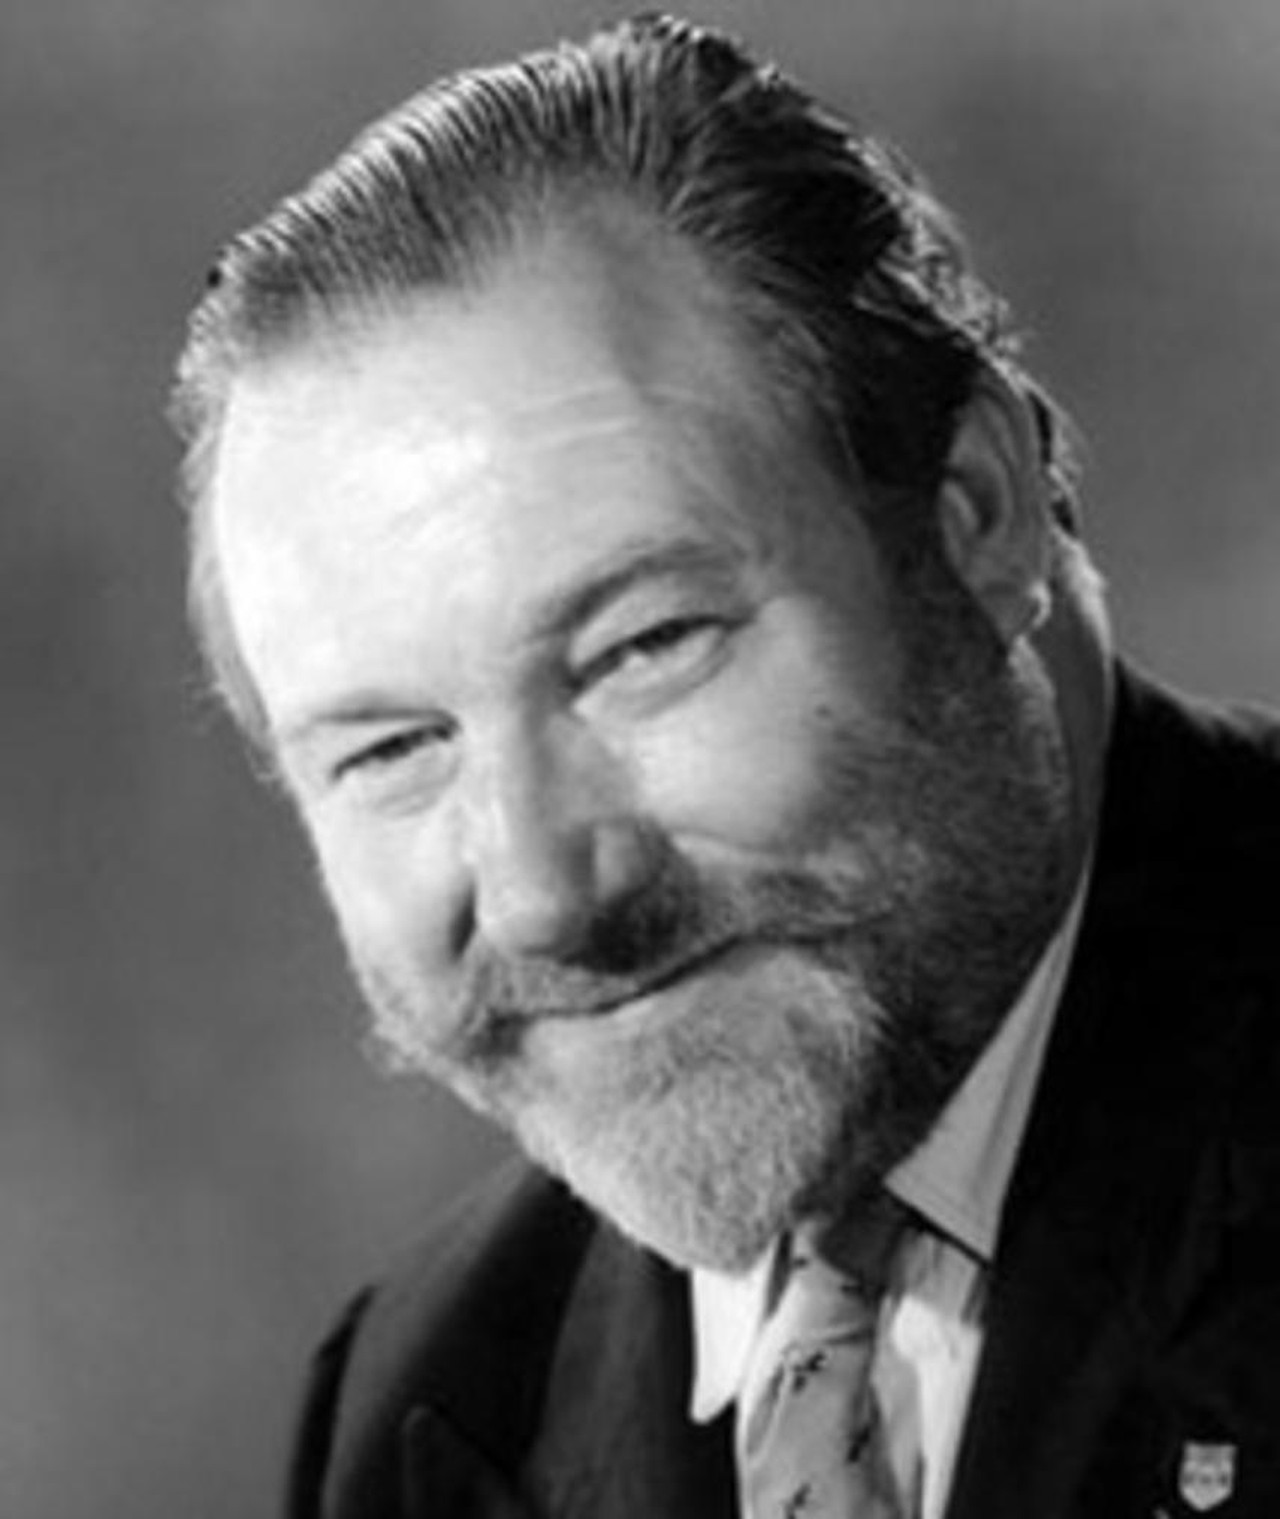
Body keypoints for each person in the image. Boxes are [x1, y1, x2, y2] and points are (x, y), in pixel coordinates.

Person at [172, 14, 1280, 1518]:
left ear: (979, 512)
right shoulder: (421, 1407)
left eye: (643, 648)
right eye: (394, 748)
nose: (545, 893)